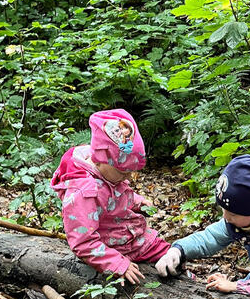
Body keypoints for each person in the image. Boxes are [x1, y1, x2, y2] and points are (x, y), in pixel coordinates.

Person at [51, 109, 170, 285]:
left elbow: (114, 193)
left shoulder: (106, 170)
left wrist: (136, 201)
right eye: (124, 172)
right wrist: (116, 263)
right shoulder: (84, 191)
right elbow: (83, 242)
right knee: (166, 261)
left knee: (173, 255)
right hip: (116, 246)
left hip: (130, 235)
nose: (128, 178)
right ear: (99, 159)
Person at [154, 154, 250, 280]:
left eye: (233, 213)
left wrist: (240, 286)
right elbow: (211, 238)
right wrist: (178, 250)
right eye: (223, 209)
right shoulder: (244, 216)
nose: (225, 217)